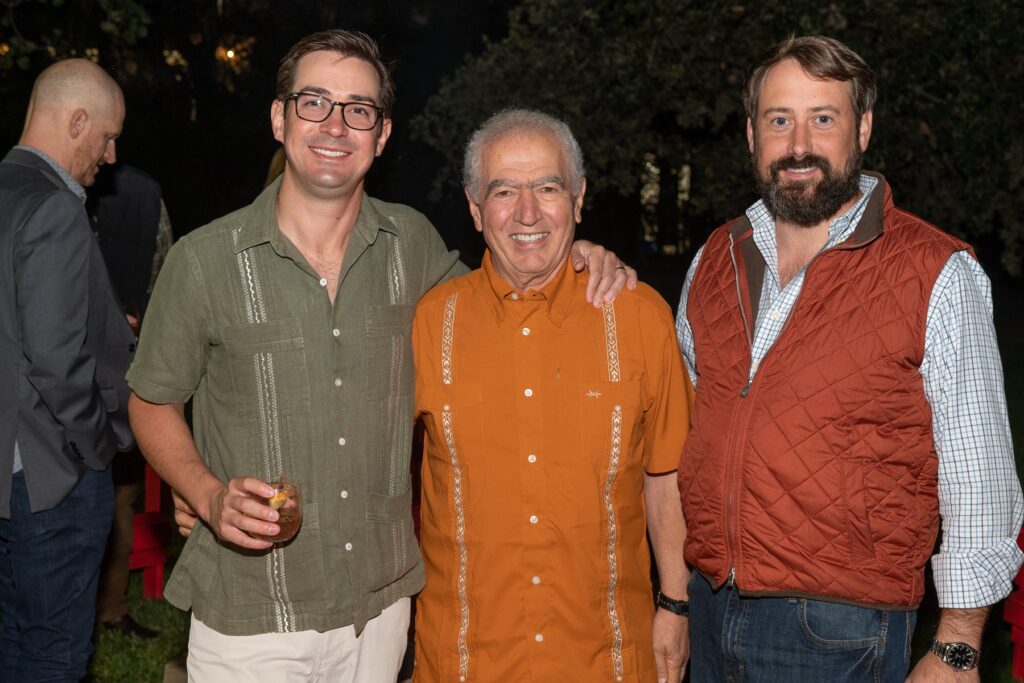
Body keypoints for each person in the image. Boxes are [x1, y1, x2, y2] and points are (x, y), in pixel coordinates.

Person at [129, 30, 634, 682]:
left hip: (382, 606)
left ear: (382, 133)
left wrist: (576, 255)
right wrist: (202, 489)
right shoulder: (202, 261)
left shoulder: (413, 247)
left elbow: (500, 295)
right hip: (251, 607)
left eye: (358, 109)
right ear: (279, 119)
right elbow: (151, 399)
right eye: (314, 102)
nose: (336, 124)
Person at [676, 35, 1024, 682]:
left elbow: (980, 476)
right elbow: (692, 429)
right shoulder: (713, 263)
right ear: (752, 135)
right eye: (779, 120)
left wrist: (957, 647)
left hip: (839, 629)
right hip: (710, 605)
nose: (799, 143)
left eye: (823, 118)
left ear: (862, 128)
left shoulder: (934, 271)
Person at [412, 108, 692, 683]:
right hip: (466, 659)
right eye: (504, 191)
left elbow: (667, 477)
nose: (528, 213)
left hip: (606, 656)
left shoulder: (641, 318)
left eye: (547, 187)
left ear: (578, 198)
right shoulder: (428, 322)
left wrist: (676, 604)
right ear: (474, 207)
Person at [0, 58, 135, 681]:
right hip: (50, 477)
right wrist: (98, 446)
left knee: (12, 641)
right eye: (107, 137)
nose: (109, 156)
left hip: (9, 473)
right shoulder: (54, 206)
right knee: (53, 653)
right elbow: (56, 363)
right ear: (77, 121)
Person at [89, 163, 174, 639]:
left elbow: (164, 282)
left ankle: (109, 607)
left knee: (118, 495)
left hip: (102, 378)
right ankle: (105, 609)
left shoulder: (138, 194)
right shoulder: (144, 195)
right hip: (115, 375)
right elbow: (163, 281)